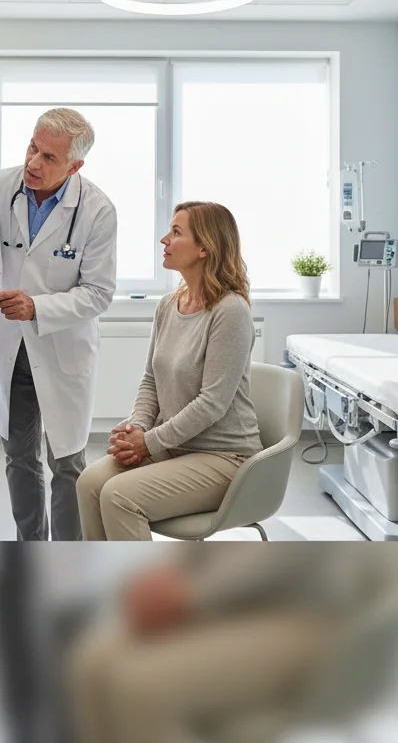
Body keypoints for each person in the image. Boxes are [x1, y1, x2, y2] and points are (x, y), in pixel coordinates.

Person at [65, 545, 398, 743]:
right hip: (222, 598)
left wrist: (191, 594)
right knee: (90, 663)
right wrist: (163, 577)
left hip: (302, 610)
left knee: (137, 688)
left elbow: (289, 554)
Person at [77, 201, 261, 541]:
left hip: (223, 457)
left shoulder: (230, 311)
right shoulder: (168, 305)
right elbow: (151, 380)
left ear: (205, 247)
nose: (164, 239)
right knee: (89, 483)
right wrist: (137, 427)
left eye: (176, 232)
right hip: (172, 447)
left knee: (119, 497)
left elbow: (212, 403)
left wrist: (147, 442)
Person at [0, 108, 117, 541]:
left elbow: (99, 293)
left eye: (49, 157)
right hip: (10, 345)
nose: (33, 163)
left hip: (61, 348)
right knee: (18, 456)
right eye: (32, 148)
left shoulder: (97, 211)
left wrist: (37, 308)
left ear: (75, 165)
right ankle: (31, 547)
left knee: (67, 463)